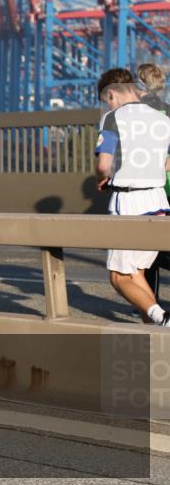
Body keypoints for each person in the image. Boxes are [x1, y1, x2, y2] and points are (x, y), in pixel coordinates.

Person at [95, 68, 170, 326]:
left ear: (112, 93)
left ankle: (163, 320)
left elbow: (104, 165)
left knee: (118, 277)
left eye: (107, 100)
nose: (108, 105)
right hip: (159, 203)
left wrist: (101, 178)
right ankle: (157, 330)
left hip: (128, 202)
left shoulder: (112, 118)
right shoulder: (162, 118)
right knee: (136, 274)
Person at [136, 63, 170, 302]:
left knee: (148, 248)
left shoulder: (134, 117)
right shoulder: (167, 112)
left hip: (151, 190)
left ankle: (149, 300)